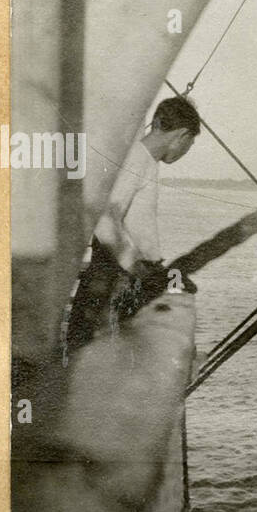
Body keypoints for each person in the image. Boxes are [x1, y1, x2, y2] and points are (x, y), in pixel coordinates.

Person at [65, 94, 201, 352]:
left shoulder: (142, 160)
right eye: (189, 145)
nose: (184, 152)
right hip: (115, 279)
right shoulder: (135, 159)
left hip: (124, 276)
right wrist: (137, 268)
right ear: (182, 136)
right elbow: (104, 218)